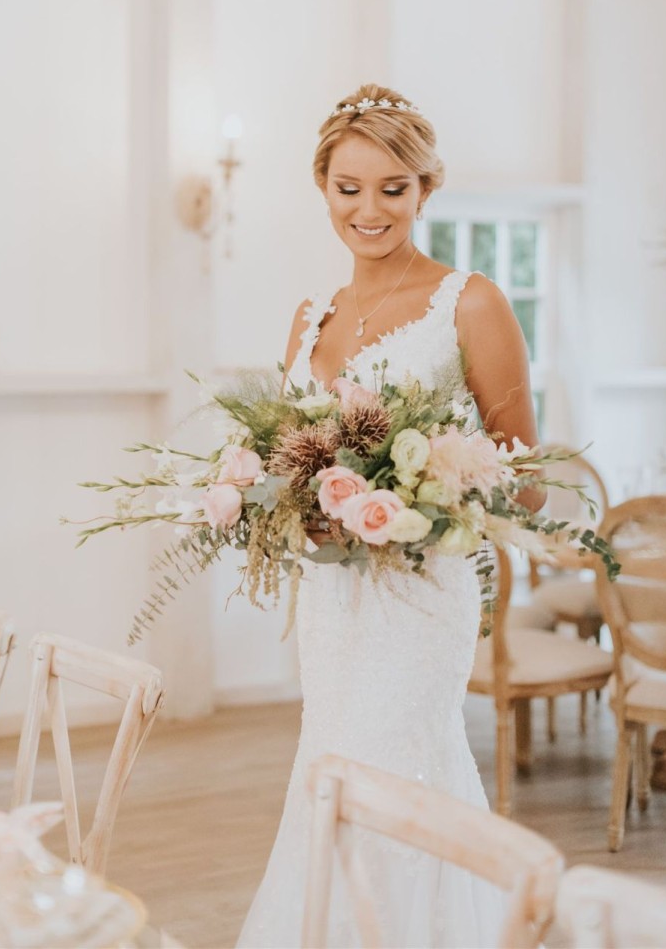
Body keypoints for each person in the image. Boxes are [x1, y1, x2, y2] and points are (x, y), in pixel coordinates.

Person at [236, 83, 544, 949]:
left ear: (426, 188)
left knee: (401, 770)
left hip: (417, 602)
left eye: (393, 187)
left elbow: (528, 477)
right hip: (331, 607)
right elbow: (285, 458)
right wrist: (293, 508)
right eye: (348, 187)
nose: (369, 209)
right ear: (322, 188)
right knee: (328, 769)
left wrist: (418, 496)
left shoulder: (470, 303)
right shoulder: (309, 317)